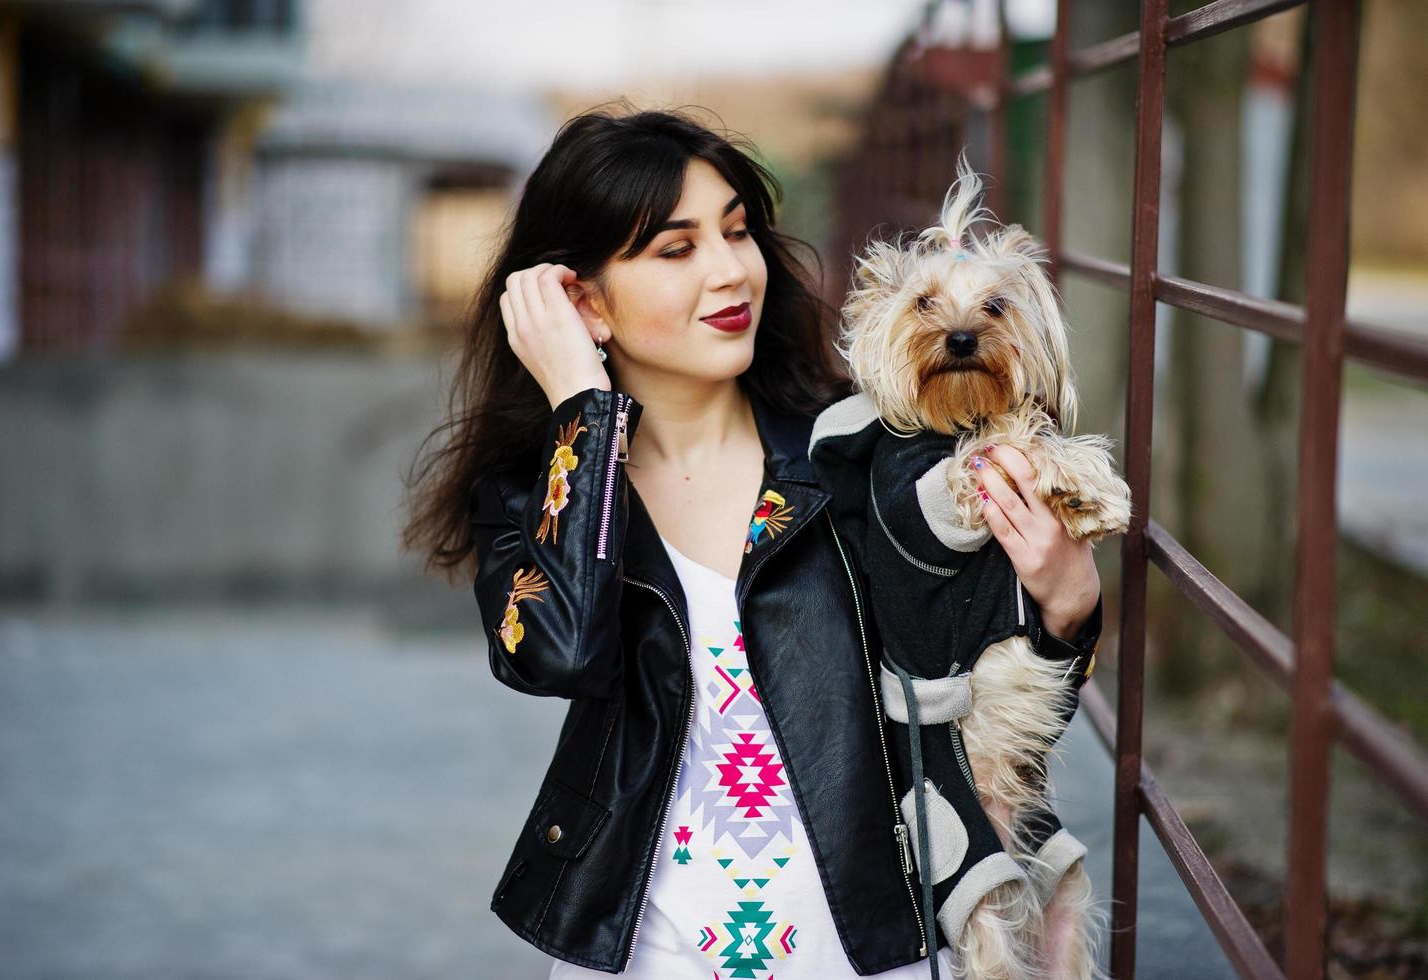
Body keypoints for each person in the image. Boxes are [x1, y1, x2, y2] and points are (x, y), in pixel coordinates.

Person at [401, 103, 1102, 978]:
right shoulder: (538, 495)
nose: (730, 271)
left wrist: (1066, 611)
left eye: (735, 233)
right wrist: (584, 416)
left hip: (863, 941)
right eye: (675, 248)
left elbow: (985, 705)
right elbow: (559, 655)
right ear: (583, 301)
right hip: (643, 950)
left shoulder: (856, 453)